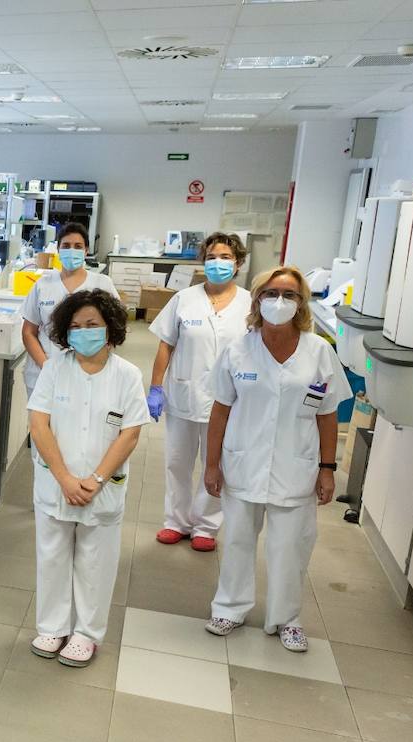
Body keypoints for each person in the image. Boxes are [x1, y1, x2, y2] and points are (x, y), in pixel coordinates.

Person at [204, 267, 350, 652]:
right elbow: (219, 410)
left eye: (289, 295)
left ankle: (286, 619)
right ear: (257, 299)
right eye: (271, 293)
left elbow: (328, 414)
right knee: (236, 540)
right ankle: (230, 607)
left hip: (296, 467)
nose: (279, 302)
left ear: (302, 303)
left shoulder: (319, 352)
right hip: (242, 463)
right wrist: (211, 463)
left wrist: (328, 469)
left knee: (290, 548)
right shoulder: (238, 349)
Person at [28, 290, 147, 668]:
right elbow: (39, 422)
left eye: (92, 325)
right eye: (75, 327)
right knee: (52, 555)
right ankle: (53, 626)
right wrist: (64, 477)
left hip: (102, 487)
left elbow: (130, 433)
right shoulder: (55, 367)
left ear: (109, 327)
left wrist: (95, 480)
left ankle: (87, 634)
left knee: (96, 561)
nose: (83, 332)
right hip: (55, 482)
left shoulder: (127, 375)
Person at [148, 232, 252, 551]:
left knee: (217, 463)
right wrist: (155, 386)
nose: (217, 263)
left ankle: (206, 526)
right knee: (177, 462)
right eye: (211, 257)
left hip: (229, 399)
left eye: (225, 258)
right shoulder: (184, 298)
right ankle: (175, 521)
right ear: (202, 261)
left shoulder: (250, 303)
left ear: (237, 263)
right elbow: (166, 345)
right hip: (184, 392)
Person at [20, 221, 119, 397]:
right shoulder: (43, 285)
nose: (71, 250)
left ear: (86, 251)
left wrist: (95, 363)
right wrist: (47, 366)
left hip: (89, 372)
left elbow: (115, 330)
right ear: (58, 249)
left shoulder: (102, 284)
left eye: (78, 246)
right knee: (41, 423)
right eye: (66, 246)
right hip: (43, 371)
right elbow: (29, 332)